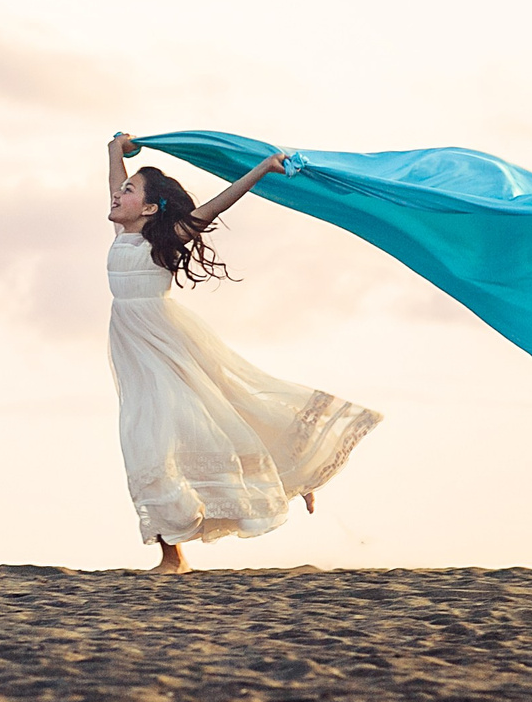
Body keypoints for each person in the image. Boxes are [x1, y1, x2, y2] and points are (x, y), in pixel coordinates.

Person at [107, 133, 381, 573]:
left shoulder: (163, 240)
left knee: (210, 418)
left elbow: (215, 206)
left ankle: (291, 472)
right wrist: (114, 151)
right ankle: (173, 555)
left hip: (168, 346)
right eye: (120, 189)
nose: (119, 193)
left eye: (129, 190)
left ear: (151, 208)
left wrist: (261, 170)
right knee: (146, 443)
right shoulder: (124, 231)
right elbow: (115, 185)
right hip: (134, 351)